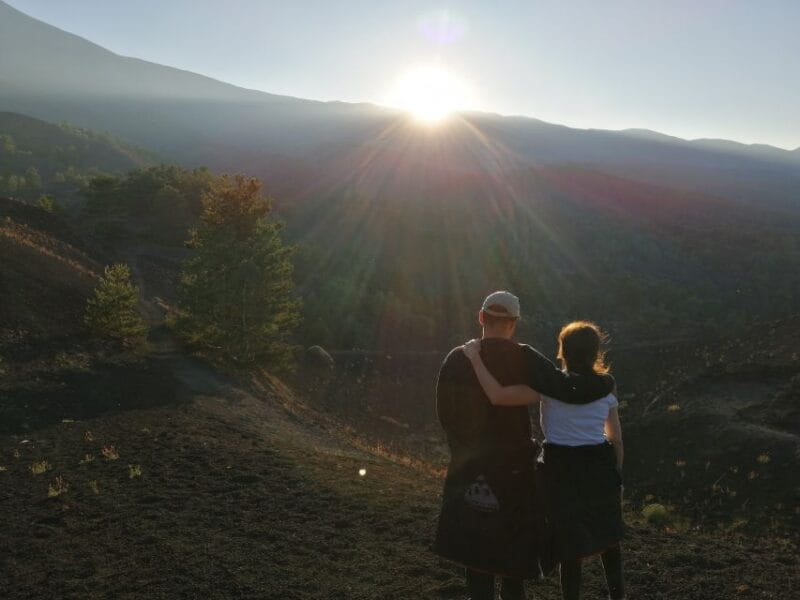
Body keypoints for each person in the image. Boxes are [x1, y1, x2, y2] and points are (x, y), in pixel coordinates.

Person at [433, 293, 614, 600]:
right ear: (513, 324)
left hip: (469, 469)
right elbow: (567, 388)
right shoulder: (524, 356)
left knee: (476, 558)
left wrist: (464, 454)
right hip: (514, 472)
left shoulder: (457, 358)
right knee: (510, 559)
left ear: (481, 318)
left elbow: (445, 414)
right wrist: (606, 384)